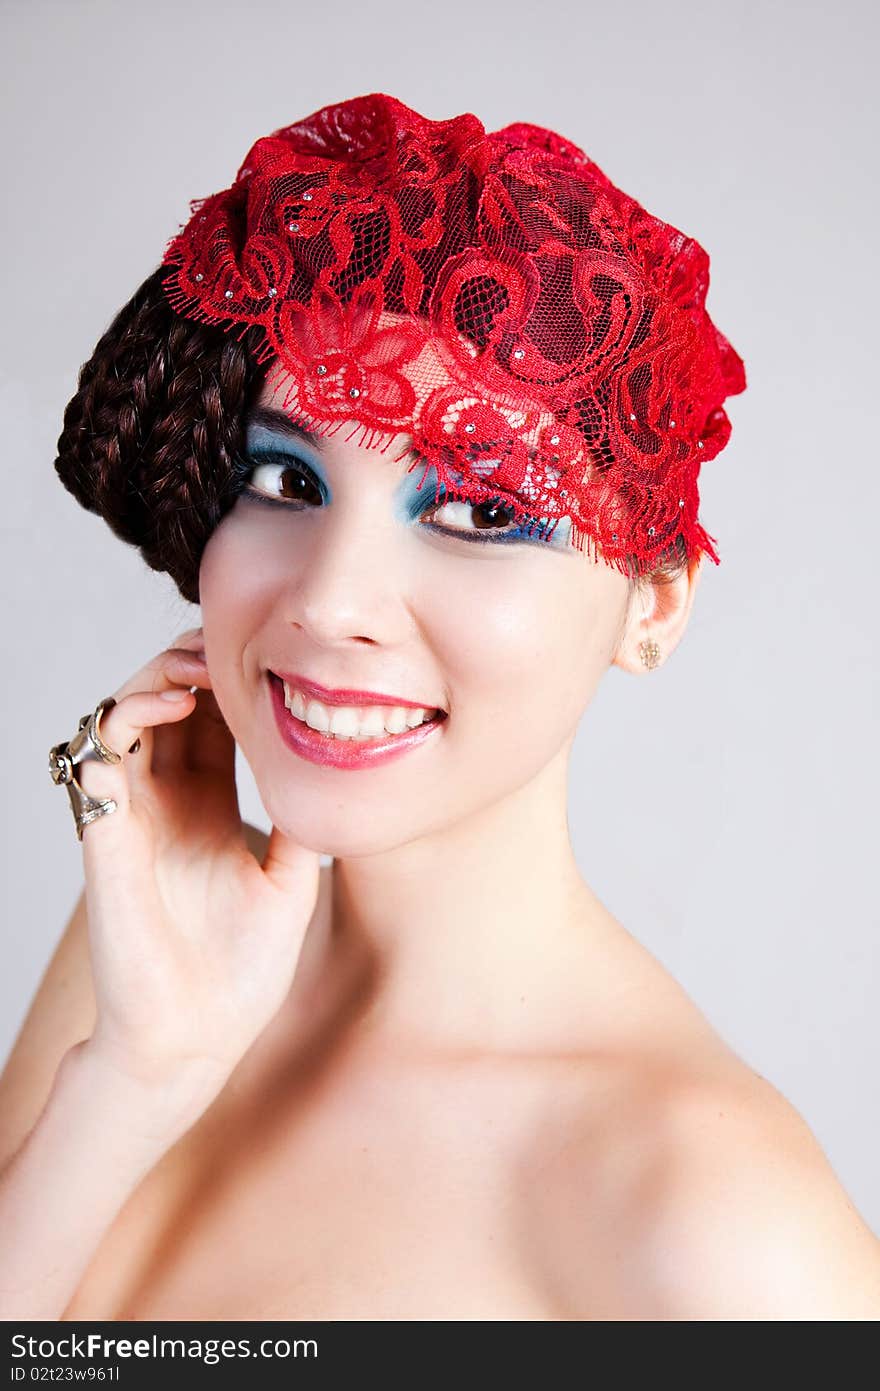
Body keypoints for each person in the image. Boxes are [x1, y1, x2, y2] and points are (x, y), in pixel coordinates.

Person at [2, 93, 878, 1322]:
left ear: (656, 606)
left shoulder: (710, 1222)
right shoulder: (153, 950)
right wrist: (138, 1076)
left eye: (480, 509)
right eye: (282, 475)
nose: (332, 599)